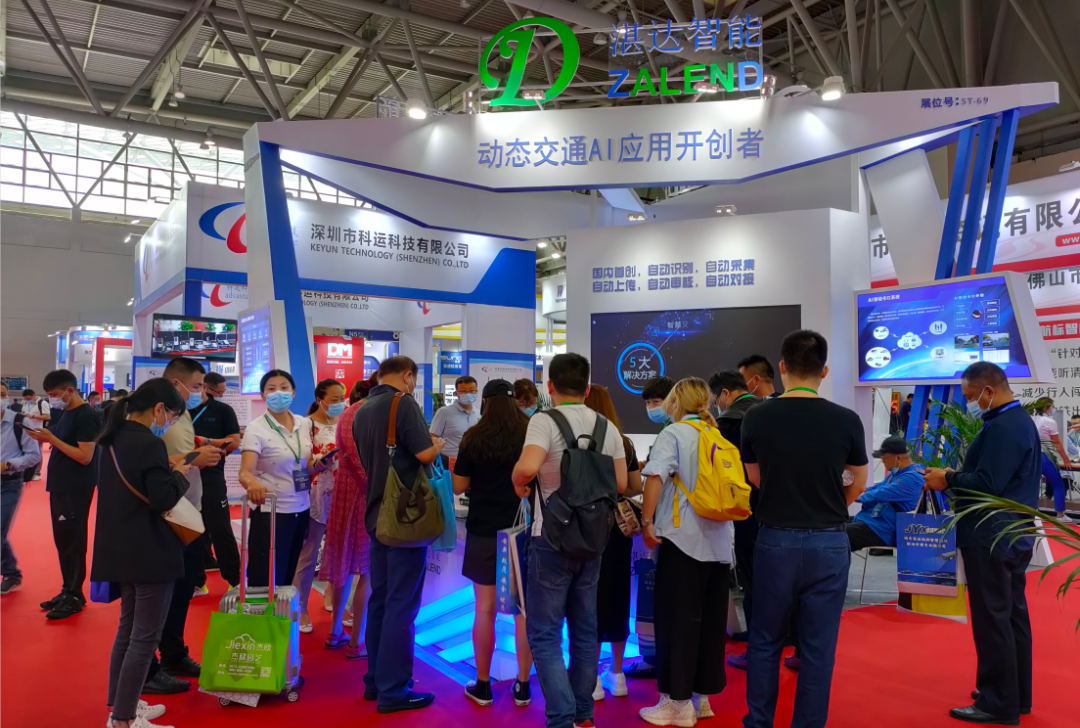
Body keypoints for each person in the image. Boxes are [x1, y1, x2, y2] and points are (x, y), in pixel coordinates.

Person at [740, 330, 868, 728]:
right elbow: (858, 483)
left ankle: (758, 722)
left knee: (765, 640)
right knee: (818, 646)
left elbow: (755, 477)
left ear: (782, 368)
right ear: (824, 371)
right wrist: (827, 501)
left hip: (774, 539)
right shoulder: (847, 420)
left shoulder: (756, 416)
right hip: (829, 541)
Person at [512, 353, 628, 728]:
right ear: (587, 388)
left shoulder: (544, 421)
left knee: (545, 634)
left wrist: (518, 481)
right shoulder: (607, 427)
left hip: (550, 537)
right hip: (593, 539)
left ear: (550, 387)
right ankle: (583, 715)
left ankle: (561, 718)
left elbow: (528, 467)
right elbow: (621, 484)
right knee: (584, 631)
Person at [924, 362, 1040, 726]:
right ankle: (1014, 693)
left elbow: (987, 483)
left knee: (992, 618)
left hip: (992, 534)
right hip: (1011, 531)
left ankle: (998, 702)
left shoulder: (1004, 427)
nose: (969, 403)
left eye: (971, 396)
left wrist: (948, 477)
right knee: (1011, 614)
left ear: (989, 391)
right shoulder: (1016, 421)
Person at [93, 378, 191, 728]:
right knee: (144, 638)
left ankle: (122, 706)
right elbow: (163, 499)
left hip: (119, 547)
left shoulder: (110, 438)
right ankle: (123, 719)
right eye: (172, 416)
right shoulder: (150, 443)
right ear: (159, 409)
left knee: (128, 631)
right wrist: (180, 474)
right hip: (150, 550)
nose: (170, 423)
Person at [638, 377, 733, 726]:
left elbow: (654, 477)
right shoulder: (716, 434)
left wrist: (647, 520)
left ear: (675, 403)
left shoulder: (674, 433)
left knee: (676, 621)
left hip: (682, 540)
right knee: (709, 621)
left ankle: (676, 704)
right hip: (719, 541)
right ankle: (700, 697)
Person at [352, 356, 444, 713]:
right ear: (408, 376)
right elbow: (424, 454)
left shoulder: (362, 409)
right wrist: (437, 444)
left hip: (378, 515)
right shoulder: (402, 403)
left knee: (382, 599)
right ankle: (394, 690)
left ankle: (375, 681)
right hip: (406, 518)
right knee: (401, 605)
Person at [142, 358, 221, 694]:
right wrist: (192, 459)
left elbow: (178, 452)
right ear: (176, 383)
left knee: (185, 586)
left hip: (189, 509)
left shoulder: (182, 412)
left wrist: (198, 448)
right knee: (157, 594)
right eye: (196, 386)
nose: (200, 392)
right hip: (165, 514)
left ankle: (173, 654)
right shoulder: (151, 416)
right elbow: (150, 463)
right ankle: (147, 667)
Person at [452, 378, 533, 707]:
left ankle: (483, 685)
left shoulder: (473, 436)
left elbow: (458, 486)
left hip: (483, 530)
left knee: (484, 609)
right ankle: (523, 685)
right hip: (523, 530)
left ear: (484, 402)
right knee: (523, 612)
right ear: (515, 402)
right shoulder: (530, 433)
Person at [24, 369, 99, 620]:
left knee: (73, 540)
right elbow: (63, 440)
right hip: (60, 485)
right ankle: (68, 589)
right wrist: (43, 436)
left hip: (75, 487)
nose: (52, 399)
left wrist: (52, 439)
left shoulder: (86, 415)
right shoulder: (66, 412)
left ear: (69, 390)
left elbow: (85, 456)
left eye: (54, 394)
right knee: (63, 540)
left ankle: (75, 594)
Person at [583, 384, 642, 702]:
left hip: (583, 526)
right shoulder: (623, 442)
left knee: (587, 598)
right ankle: (617, 674)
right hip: (617, 528)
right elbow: (633, 486)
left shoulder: (577, 440)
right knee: (618, 596)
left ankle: (591, 677)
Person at [707, 369, 761, 671]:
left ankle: (756, 647)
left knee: (753, 578)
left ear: (725, 393)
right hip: (778, 509)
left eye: (716, 399)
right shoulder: (769, 411)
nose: (716, 405)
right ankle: (782, 638)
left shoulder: (728, 423)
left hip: (745, 508)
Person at [239, 370, 313, 589]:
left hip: (301, 508)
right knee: (266, 576)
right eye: (271, 389)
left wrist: (320, 463)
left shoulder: (303, 423)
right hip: (271, 511)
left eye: (284, 387)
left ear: (293, 392)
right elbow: (245, 472)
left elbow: (305, 463)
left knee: (288, 572)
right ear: (263, 395)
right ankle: (263, 611)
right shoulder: (256, 428)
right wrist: (252, 484)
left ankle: (281, 611)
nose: (278, 392)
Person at [320, 378, 373, 660]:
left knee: (342, 564)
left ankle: (334, 631)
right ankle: (357, 640)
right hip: (368, 495)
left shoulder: (347, 414)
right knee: (368, 571)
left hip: (344, 493)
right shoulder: (376, 413)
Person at [293, 379, 346, 636]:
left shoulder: (345, 421)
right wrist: (319, 461)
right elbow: (299, 459)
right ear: (319, 399)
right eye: (334, 400)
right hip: (316, 493)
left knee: (339, 550)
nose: (339, 404)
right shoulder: (306, 424)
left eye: (342, 399)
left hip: (343, 491)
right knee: (309, 551)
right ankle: (300, 607)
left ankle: (333, 597)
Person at [188, 372, 241, 588]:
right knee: (190, 531)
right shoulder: (181, 411)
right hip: (184, 478)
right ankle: (195, 581)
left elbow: (234, 442)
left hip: (212, 478)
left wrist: (207, 442)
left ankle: (235, 581)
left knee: (221, 529)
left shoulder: (223, 411)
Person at [1, 382, 42, 595]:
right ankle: (10, 572)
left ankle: (11, 573)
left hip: (9, 483)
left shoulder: (20, 422)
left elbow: (34, 456)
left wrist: (9, 464)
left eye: (2, 394)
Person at [847, 436, 923, 551]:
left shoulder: (912, 479)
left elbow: (876, 494)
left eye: (884, 458)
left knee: (835, 534)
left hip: (882, 530)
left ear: (898, 458)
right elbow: (875, 488)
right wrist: (856, 489)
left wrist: (851, 493)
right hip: (873, 521)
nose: (882, 461)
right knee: (832, 525)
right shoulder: (895, 474)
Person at [1029, 398, 1073, 522]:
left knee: (1031, 485)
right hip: (1044, 456)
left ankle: (1032, 513)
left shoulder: (1031, 419)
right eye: (1052, 406)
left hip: (1030, 457)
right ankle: (1060, 515)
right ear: (1046, 408)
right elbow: (1057, 443)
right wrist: (1066, 459)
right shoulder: (1049, 422)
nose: (1054, 409)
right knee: (1058, 484)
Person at [430, 375, 480, 468]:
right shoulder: (444, 412)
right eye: (464, 391)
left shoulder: (479, 414)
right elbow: (433, 437)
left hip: (473, 463)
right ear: (457, 393)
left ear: (476, 392)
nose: (468, 394)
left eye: (471, 390)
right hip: (448, 462)